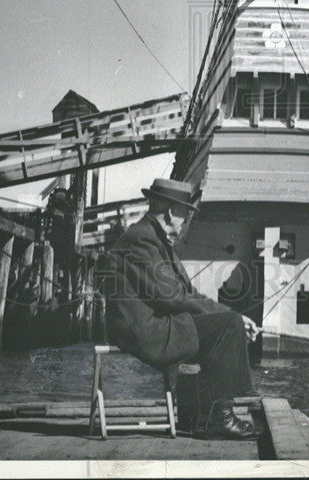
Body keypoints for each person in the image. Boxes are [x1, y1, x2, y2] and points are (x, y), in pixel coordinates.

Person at [100, 177, 261, 439]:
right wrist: (232, 318)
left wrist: (232, 315)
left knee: (229, 323)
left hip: (156, 324)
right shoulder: (142, 239)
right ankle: (221, 418)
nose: (186, 221)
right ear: (172, 212)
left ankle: (201, 417)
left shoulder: (156, 240)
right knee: (227, 327)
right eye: (186, 214)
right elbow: (173, 297)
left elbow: (189, 294)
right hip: (143, 331)